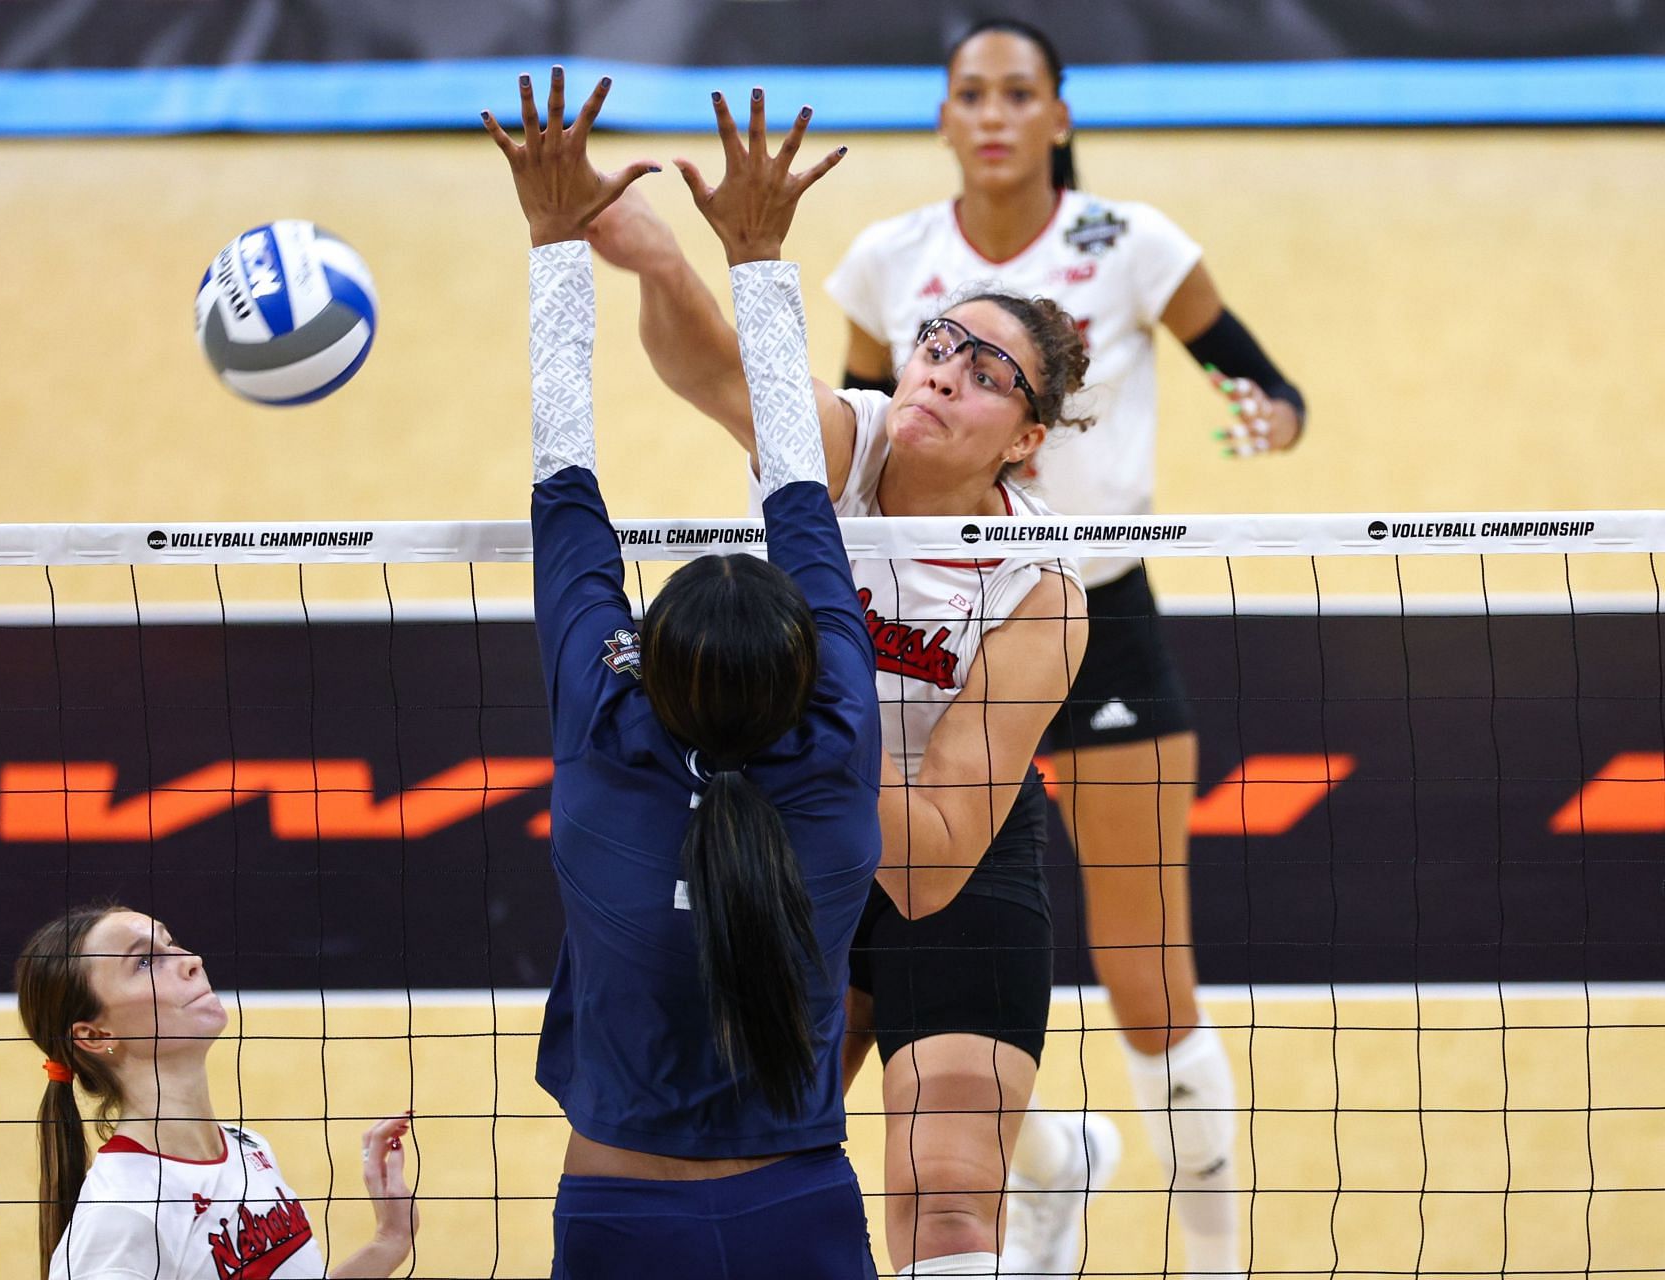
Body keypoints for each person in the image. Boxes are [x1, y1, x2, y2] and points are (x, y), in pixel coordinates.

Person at [824, 19, 1311, 1277]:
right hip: (918, 629)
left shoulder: (1129, 241)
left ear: (1058, 115)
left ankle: (1217, 1263)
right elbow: (844, 446)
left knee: (1149, 974)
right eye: (969, 93)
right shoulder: (891, 261)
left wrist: (1269, 415)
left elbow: (1258, 376)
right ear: (941, 117)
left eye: (1017, 93)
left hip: (1087, 617)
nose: (992, 114)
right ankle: (1052, 1162)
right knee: (872, 990)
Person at [585, 135, 1095, 1280]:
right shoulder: (845, 444)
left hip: (945, 865)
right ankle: (1050, 1149)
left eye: (987, 369)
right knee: (726, 1158)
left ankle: (1014, 1158)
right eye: (939, 342)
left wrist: (784, 710)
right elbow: (714, 368)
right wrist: (659, 263)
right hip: (794, 843)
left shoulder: (1040, 596)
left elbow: (925, 869)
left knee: (947, 1204)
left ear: (1024, 439)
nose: (944, 370)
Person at [483, 70, 881, 1278]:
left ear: (641, 666)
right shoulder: (839, 743)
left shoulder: (609, 733)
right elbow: (799, 482)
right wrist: (756, 251)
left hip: (617, 1223)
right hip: (804, 1215)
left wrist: (555, 242)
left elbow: (567, 480)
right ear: (810, 659)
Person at [15, 904, 417, 1279]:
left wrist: (389, 1242)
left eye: (169, 943)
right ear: (95, 1035)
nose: (191, 961)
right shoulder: (121, 1213)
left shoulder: (248, 1148)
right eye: (143, 962)